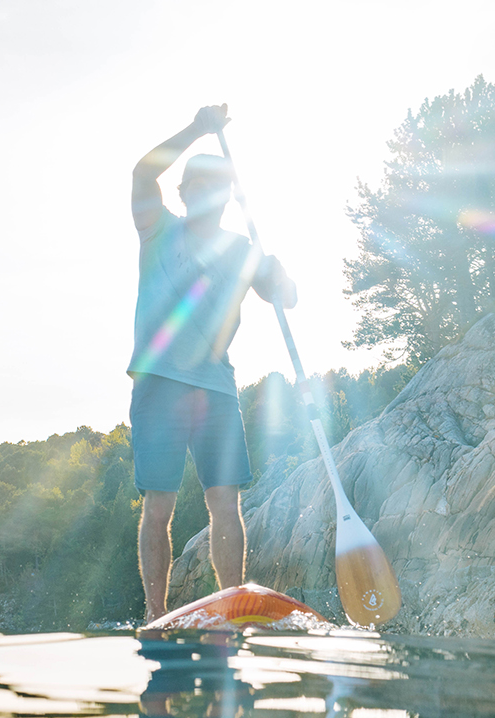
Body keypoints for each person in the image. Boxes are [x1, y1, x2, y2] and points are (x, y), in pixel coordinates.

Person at [128, 105, 297, 624]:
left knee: (226, 502)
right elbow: (142, 172)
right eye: (195, 187)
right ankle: (156, 616)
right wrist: (197, 131)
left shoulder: (242, 248)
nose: (205, 195)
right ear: (183, 194)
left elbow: (286, 298)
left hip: (216, 390)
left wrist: (277, 271)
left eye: (214, 188)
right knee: (159, 506)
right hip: (159, 382)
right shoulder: (158, 227)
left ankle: (234, 610)